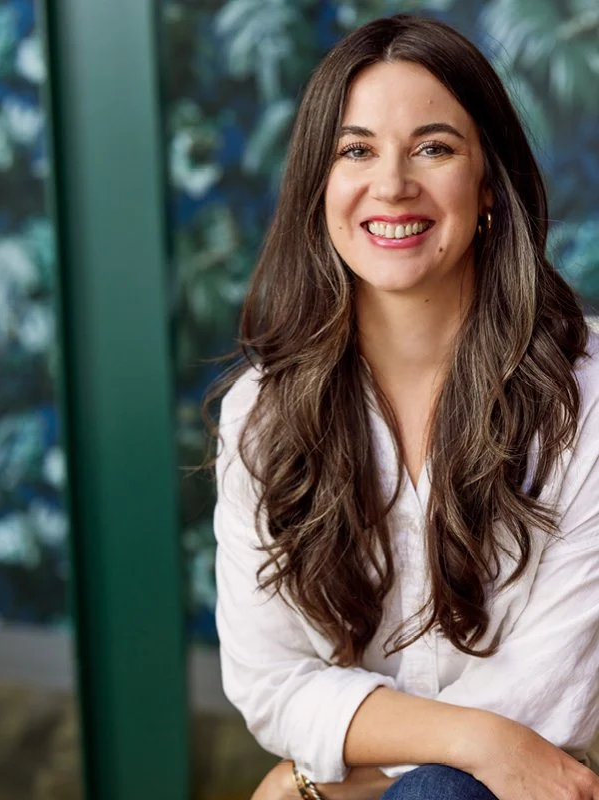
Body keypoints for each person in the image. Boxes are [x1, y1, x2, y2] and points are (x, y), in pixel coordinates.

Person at [210, 13, 599, 800]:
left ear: (487, 186)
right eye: (356, 150)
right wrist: (472, 738)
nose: (392, 184)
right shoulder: (262, 412)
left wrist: (321, 784)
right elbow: (270, 684)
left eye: (434, 147)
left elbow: (550, 701)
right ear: (321, 185)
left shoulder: (588, 391)